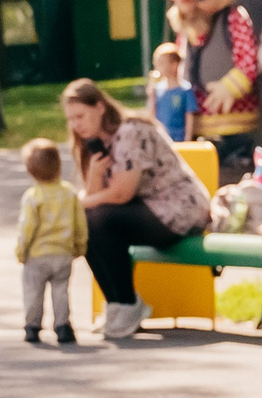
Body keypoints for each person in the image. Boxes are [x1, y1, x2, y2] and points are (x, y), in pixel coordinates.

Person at [62, 76, 210, 341]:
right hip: (148, 208)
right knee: (89, 220)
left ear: (100, 107)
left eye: (80, 116)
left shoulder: (130, 131)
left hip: (179, 207)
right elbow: (100, 197)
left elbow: (120, 194)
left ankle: (128, 305)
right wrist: (95, 172)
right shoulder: (97, 142)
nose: (75, 125)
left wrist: (78, 201)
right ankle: (119, 305)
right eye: (71, 119)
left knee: (96, 218)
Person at [162, 0, 262, 182]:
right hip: (196, 126)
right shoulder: (188, 29)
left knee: (231, 178)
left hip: (235, 127)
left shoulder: (233, 20)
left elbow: (247, 60)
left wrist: (229, 88)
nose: (189, 5)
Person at [15, 138, 84, 346]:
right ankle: (63, 327)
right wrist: (80, 246)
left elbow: (27, 227)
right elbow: (79, 223)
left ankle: (32, 326)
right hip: (63, 253)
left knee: (33, 292)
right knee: (61, 290)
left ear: (30, 171)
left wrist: (21, 250)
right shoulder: (69, 193)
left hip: (37, 255)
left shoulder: (33, 196)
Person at [148, 44, 194, 143]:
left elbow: (189, 115)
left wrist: (188, 137)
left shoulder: (185, 90)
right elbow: (151, 114)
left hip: (179, 138)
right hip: (161, 138)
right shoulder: (156, 89)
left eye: (161, 63)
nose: (157, 67)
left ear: (174, 65)